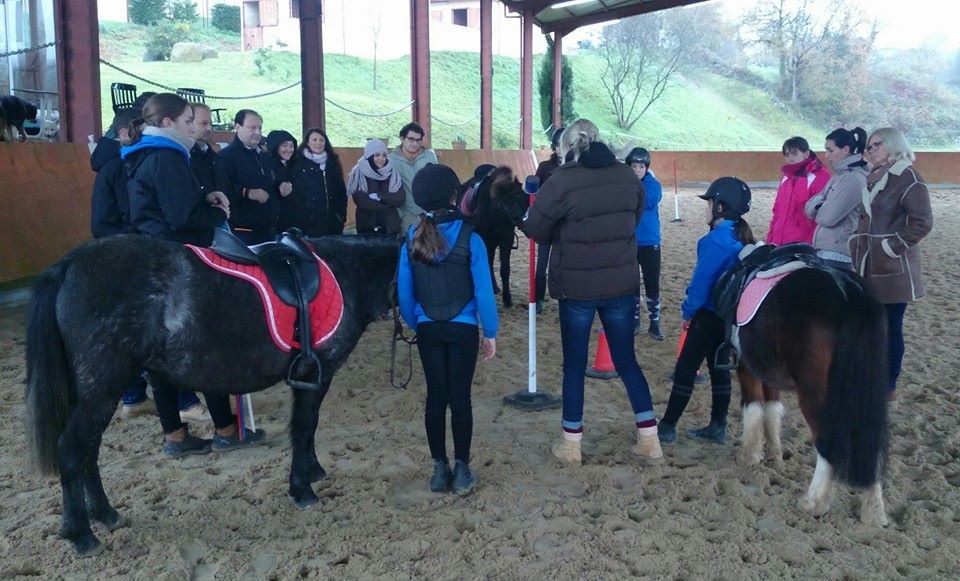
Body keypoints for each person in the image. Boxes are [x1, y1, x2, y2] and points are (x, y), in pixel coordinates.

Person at [122, 93, 265, 457]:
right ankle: (226, 428)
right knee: (207, 347)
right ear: (168, 123)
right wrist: (215, 215)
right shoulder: (167, 157)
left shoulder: (143, 155)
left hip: (155, 260)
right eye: (188, 120)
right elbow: (182, 218)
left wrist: (204, 198)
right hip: (179, 263)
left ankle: (176, 435)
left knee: (162, 355)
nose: (193, 127)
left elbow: (168, 207)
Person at [522, 118, 663, 466]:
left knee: (574, 365)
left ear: (566, 146)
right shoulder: (628, 176)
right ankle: (649, 439)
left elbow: (536, 230)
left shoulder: (563, 180)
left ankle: (571, 444)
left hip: (577, 286)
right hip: (621, 283)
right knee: (627, 360)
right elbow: (631, 219)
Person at [398, 163, 498, 495]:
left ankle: (439, 468)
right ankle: (463, 467)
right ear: (455, 195)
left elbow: (405, 292)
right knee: (461, 398)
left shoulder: (412, 238)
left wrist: (418, 322)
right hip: (463, 327)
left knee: (435, 397)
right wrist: (491, 332)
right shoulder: (472, 238)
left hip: (428, 328)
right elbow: (483, 290)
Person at [658, 177, 755, 445]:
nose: (706, 209)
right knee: (718, 369)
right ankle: (717, 425)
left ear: (720, 207)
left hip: (708, 314)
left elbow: (701, 284)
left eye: (709, 203)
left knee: (686, 368)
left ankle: (667, 426)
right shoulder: (740, 235)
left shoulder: (714, 241)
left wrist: (688, 310)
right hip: (728, 317)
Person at [850, 127, 933, 397]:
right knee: (872, 325)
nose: (870, 149)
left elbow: (922, 222)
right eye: (869, 145)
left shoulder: (907, 176)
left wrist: (891, 246)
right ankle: (874, 376)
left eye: (876, 145)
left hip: (892, 266)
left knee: (891, 327)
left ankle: (888, 383)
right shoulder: (874, 176)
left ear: (893, 145)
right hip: (868, 264)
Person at [804, 127, 869, 270]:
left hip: (837, 253)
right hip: (829, 249)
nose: (826, 155)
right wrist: (822, 204)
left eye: (830, 150)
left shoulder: (852, 179)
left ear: (845, 150)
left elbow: (827, 218)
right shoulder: (839, 177)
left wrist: (820, 205)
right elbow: (808, 209)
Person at [218, 109, 277, 244]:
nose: (257, 132)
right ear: (238, 127)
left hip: (268, 230)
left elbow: (270, 183)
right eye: (252, 128)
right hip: (242, 232)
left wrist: (281, 185)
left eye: (260, 128)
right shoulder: (226, 156)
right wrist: (246, 192)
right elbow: (222, 188)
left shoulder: (264, 156)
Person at [626, 147, 664, 340]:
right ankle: (634, 320)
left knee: (652, 283)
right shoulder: (624, 184)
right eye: (634, 166)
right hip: (630, 240)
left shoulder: (654, 185)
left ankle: (654, 322)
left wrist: (629, 194)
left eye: (641, 166)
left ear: (646, 168)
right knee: (631, 283)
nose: (638, 169)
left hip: (650, 241)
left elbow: (649, 201)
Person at [282, 127, 347, 236]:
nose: (318, 143)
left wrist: (341, 216)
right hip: (308, 223)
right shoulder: (298, 163)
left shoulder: (332, 162)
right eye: (314, 140)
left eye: (321, 140)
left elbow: (341, 189)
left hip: (333, 221)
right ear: (307, 142)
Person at [767, 136, 830, 245]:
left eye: (794, 153)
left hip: (803, 245)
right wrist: (770, 239)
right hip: (779, 242)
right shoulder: (786, 177)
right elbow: (777, 211)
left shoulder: (820, 177)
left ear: (806, 154)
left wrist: (812, 244)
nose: (790, 158)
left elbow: (823, 216)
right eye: (786, 155)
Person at [530, 126, 565, 314]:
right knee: (541, 264)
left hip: (566, 225)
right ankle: (539, 299)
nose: (562, 148)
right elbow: (534, 194)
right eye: (559, 145)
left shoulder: (575, 168)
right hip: (547, 223)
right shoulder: (545, 168)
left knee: (564, 264)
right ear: (554, 147)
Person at [347, 138, 405, 235]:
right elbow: (362, 201)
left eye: (384, 155)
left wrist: (380, 197)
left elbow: (400, 198)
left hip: (390, 227)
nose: (381, 158)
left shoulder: (392, 171)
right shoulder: (359, 172)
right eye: (377, 155)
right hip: (366, 227)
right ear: (369, 156)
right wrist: (389, 205)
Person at [389, 122, 438, 232]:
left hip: (429, 212)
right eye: (411, 139)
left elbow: (436, 183)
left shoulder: (429, 157)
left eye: (418, 140)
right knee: (408, 246)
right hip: (406, 214)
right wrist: (399, 215)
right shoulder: (391, 160)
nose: (414, 143)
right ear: (402, 139)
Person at [265, 128, 298, 234]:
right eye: (284, 145)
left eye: (291, 146)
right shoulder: (267, 165)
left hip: (296, 224)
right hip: (278, 225)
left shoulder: (296, 165)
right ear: (275, 146)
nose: (289, 149)